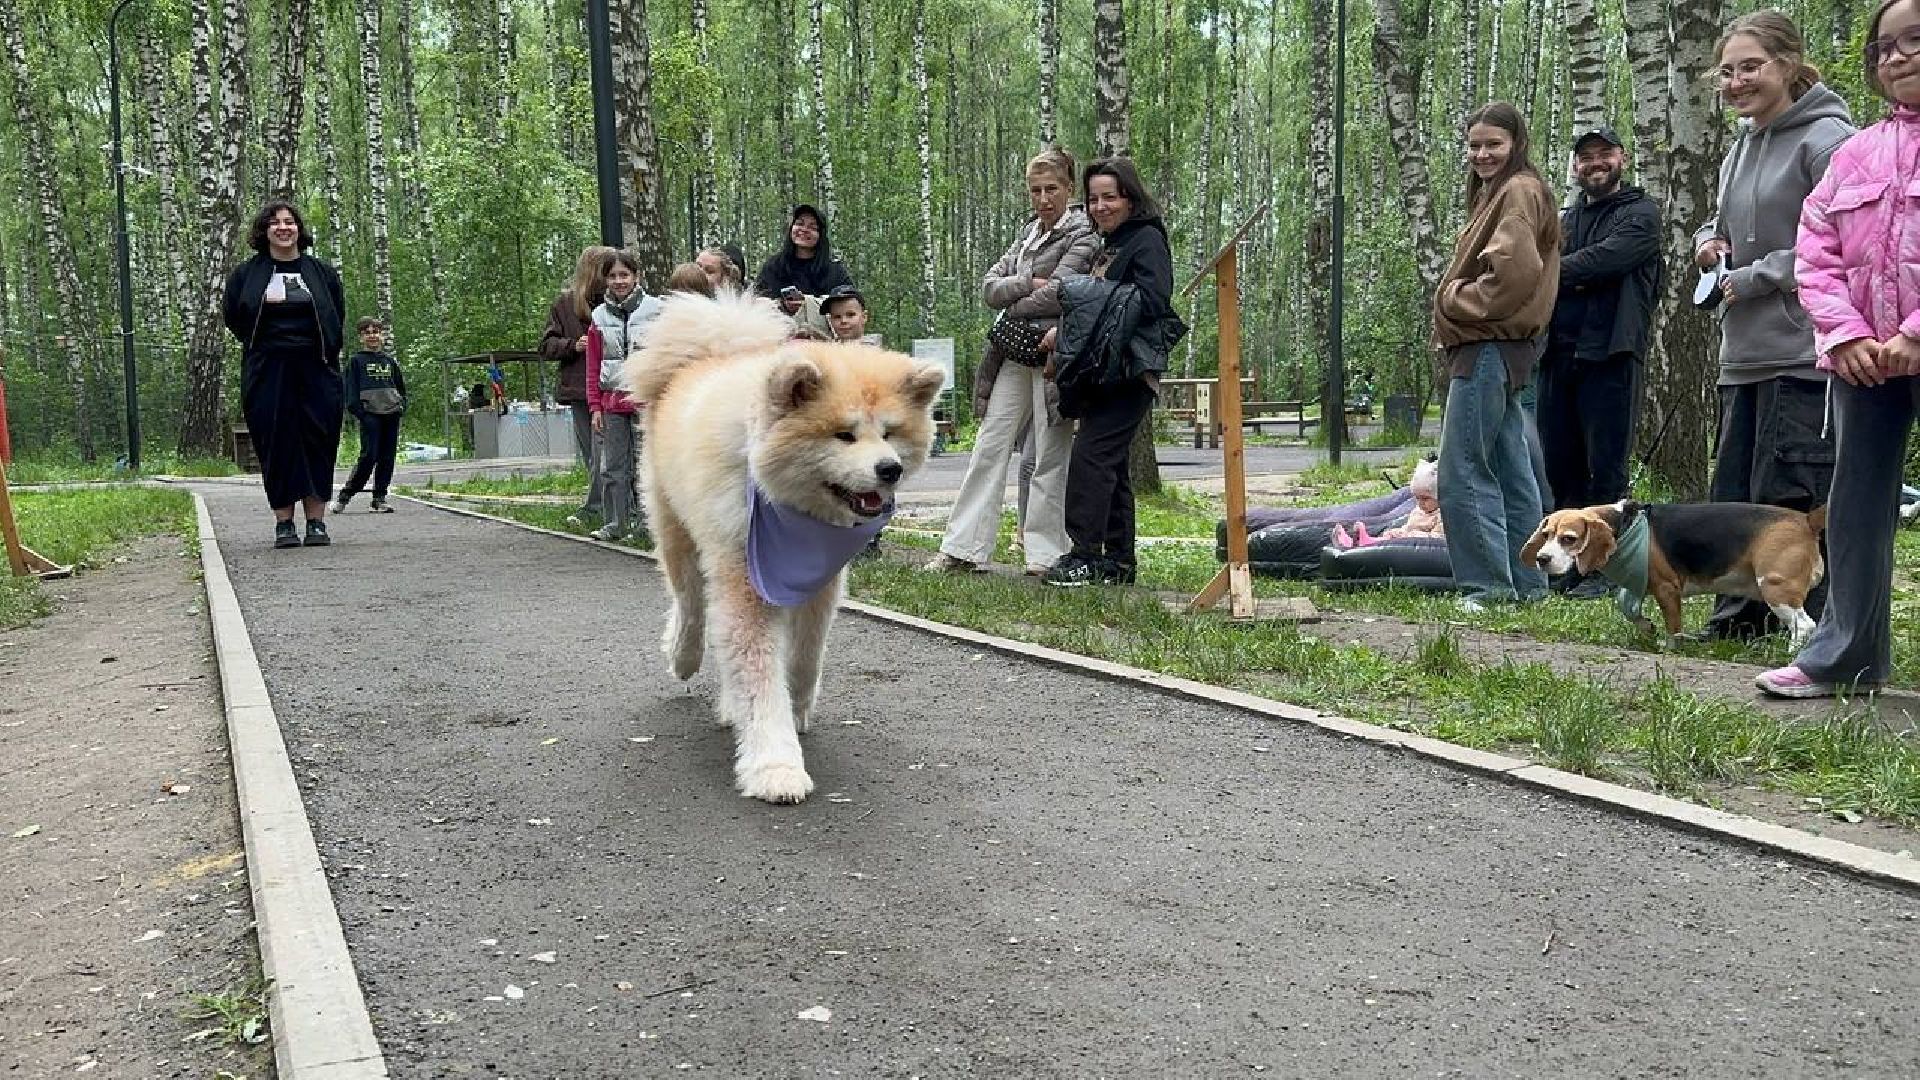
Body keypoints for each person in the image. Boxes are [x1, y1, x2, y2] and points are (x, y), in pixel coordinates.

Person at [1756, 0, 1920, 698]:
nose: (1897, 57)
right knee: (1854, 508)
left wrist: (1915, 331)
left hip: (1909, 341)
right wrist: (1847, 333)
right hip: (1864, 362)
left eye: (1914, 41)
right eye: (1884, 47)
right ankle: (1844, 657)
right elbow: (1815, 252)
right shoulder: (1857, 152)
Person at [1693, 9, 1855, 640]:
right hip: (1743, 349)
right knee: (1735, 495)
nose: (1736, 82)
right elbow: (1723, 219)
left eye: (1750, 67)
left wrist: (1754, 277)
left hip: (1800, 346)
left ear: (1788, 64)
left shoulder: (1827, 139)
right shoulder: (1742, 142)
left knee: (1789, 496)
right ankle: (1739, 616)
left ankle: (1816, 624)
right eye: (1727, 72)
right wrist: (1710, 242)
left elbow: (1836, 234)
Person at [929, 146, 1099, 577]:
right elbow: (989, 287)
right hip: (1011, 354)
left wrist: (1016, 297)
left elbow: (1063, 291)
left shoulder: (1083, 234)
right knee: (989, 445)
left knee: (1049, 455)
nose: (1044, 199)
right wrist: (1027, 282)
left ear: (1068, 188)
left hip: (1053, 356)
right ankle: (964, 548)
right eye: (1036, 190)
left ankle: (1045, 554)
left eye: (1052, 189)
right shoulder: (1027, 235)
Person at [1432, 102, 1562, 610]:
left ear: (1516, 144)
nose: (1482, 154)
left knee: (1463, 466)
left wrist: (1455, 299)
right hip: (1506, 349)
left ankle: (1488, 588)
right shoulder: (1510, 191)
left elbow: (1513, 272)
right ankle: (1528, 585)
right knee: (1511, 468)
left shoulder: (1517, 191)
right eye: (1474, 146)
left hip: (1487, 346)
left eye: (1494, 144)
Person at [1045, 157, 1186, 588]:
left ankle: (1085, 555)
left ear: (1130, 197)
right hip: (1102, 372)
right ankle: (1119, 562)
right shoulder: (1110, 242)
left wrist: (1085, 301)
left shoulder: (1146, 240)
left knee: (1090, 458)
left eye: (1110, 196)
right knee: (1112, 466)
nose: (1101, 206)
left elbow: (1153, 298)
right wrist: (1065, 329)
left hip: (1129, 371)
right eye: (1093, 199)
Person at [1539, 126, 1664, 599]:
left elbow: (1606, 260)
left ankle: (1606, 571)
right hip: (1558, 356)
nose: (1595, 163)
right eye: (1585, 156)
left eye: (1604, 154)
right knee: (1561, 466)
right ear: (1576, 166)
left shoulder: (1641, 214)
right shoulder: (1566, 220)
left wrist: (1548, 274)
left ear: (1621, 158)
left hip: (1612, 354)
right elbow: (1559, 258)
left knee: (1607, 472)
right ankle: (1564, 568)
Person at [222, 200, 347, 549]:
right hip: (267, 369)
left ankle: (317, 522)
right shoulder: (246, 275)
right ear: (264, 231)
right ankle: (284, 524)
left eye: (289, 222)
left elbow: (336, 314)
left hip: (316, 368)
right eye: (275, 223)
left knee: (318, 440)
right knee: (276, 441)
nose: (283, 228)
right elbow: (234, 317)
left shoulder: (321, 273)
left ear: (299, 229)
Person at [586, 250, 663, 542]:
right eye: (613, 276)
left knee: (647, 463)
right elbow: (593, 366)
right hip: (612, 401)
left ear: (636, 276)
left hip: (645, 399)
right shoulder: (598, 317)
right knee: (612, 466)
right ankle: (616, 523)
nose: (619, 281)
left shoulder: (656, 310)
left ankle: (648, 524)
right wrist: (595, 405)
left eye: (624, 275)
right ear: (605, 279)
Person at [539, 245, 616, 527]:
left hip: (610, 387)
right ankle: (600, 505)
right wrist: (573, 345)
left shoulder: (614, 302)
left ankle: (604, 505)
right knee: (593, 452)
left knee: (606, 451)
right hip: (580, 387)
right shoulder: (565, 305)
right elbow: (546, 345)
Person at [331, 317, 407, 514]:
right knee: (369, 455)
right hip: (370, 414)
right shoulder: (356, 362)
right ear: (361, 337)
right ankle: (346, 495)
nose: (372, 336)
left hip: (391, 413)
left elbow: (399, 387)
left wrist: (400, 405)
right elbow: (350, 391)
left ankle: (379, 497)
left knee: (387, 457)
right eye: (367, 332)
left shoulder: (389, 361)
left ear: (381, 336)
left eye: (376, 332)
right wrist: (360, 412)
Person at [753, 204, 854, 315]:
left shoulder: (834, 271)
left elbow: (850, 302)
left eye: (812, 227)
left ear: (820, 235)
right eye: (799, 224)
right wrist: (782, 305)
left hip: (822, 330)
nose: (804, 230)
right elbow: (758, 301)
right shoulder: (774, 266)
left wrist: (808, 304)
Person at [1332, 459, 1444, 547]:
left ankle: (1366, 542)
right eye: (1417, 498)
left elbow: (1437, 539)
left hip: (1413, 544)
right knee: (1389, 535)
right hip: (1406, 539)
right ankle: (1356, 542)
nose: (1420, 503)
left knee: (1388, 540)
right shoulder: (1419, 511)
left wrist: (1409, 535)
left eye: (1425, 499)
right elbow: (1409, 526)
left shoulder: (1440, 516)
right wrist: (1399, 532)